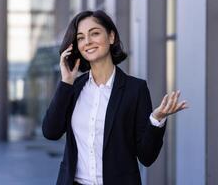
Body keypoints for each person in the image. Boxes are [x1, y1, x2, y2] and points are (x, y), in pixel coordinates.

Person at [42, 10, 188, 185]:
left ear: (111, 37)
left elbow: (146, 157)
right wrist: (66, 82)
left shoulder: (135, 89)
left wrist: (156, 120)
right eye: (80, 37)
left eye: (94, 33)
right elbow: (51, 132)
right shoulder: (73, 88)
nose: (87, 41)